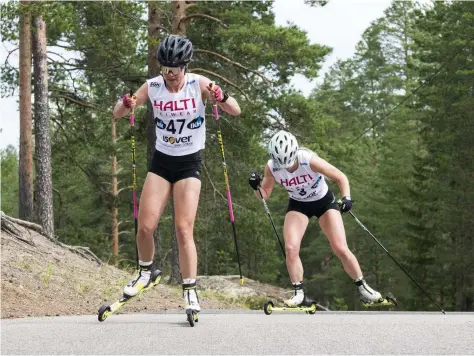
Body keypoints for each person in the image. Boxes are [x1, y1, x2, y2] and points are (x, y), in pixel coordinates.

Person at [113, 35, 241, 315]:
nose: (170, 74)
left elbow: (235, 110)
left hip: (188, 163)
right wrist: (126, 103)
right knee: (145, 227)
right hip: (162, 162)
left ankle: (191, 291)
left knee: (184, 229)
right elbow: (118, 113)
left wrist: (222, 97)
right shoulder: (153, 86)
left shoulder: (199, 83)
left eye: (175, 69)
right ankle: (146, 273)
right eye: (165, 68)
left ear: (185, 66)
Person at [248, 130, 383, 307]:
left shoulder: (308, 159)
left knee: (340, 248)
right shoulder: (272, 167)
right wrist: (255, 187)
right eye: (282, 165)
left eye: (289, 164)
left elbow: (341, 177)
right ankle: (299, 293)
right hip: (299, 205)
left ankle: (363, 288)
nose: (287, 169)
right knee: (290, 247)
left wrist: (347, 198)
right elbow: (264, 195)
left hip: (324, 203)